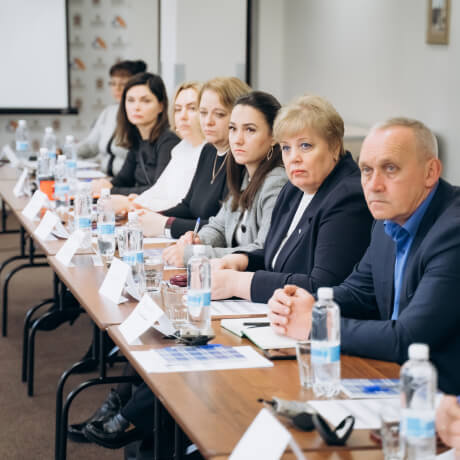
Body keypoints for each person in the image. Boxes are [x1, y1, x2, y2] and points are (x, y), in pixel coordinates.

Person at [268, 117, 460, 394]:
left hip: (442, 397)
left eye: (390, 169)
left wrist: (317, 324)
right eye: (366, 170)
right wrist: (306, 304)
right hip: (391, 379)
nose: (374, 185)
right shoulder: (386, 220)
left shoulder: (452, 232)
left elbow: (409, 338)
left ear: (431, 172)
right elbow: (359, 292)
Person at [209, 95, 373, 302]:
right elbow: (276, 258)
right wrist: (240, 261)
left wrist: (238, 283)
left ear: (334, 147)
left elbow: (322, 286)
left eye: (305, 146)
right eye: (286, 147)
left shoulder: (348, 196)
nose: (294, 157)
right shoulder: (293, 189)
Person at [162, 91, 288, 267]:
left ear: (274, 136)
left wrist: (195, 254)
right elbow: (219, 226)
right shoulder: (245, 174)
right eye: (233, 128)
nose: (237, 139)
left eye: (250, 130)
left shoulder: (276, 182)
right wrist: (198, 240)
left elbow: (263, 250)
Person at [133, 76, 251, 238]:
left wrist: (166, 225)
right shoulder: (208, 150)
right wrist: (152, 216)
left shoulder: (241, 160)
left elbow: (225, 227)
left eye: (219, 114)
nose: (208, 121)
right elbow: (188, 206)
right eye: (203, 113)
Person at [110, 81, 206, 214]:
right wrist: (138, 201)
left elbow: (183, 204)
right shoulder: (181, 148)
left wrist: (134, 204)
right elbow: (159, 190)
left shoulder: (209, 152)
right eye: (178, 109)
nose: (182, 116)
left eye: (192, 108)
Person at [91, 72, 180, 196]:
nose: (136, 107)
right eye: (131, 100)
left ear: (161, 106)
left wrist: (110, 191)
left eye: (146, 101)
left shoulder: (169, 141)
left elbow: (159, 190)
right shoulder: (138, 139)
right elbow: (123, 180)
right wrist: (103, 185)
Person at [77, 59, 147, 176]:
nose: (117, 88)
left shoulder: (140, 114)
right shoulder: (109, 112)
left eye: (123, 84)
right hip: (104, 177)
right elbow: (91, 145)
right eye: (113, 83)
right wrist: (65, 151)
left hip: (126, 181)